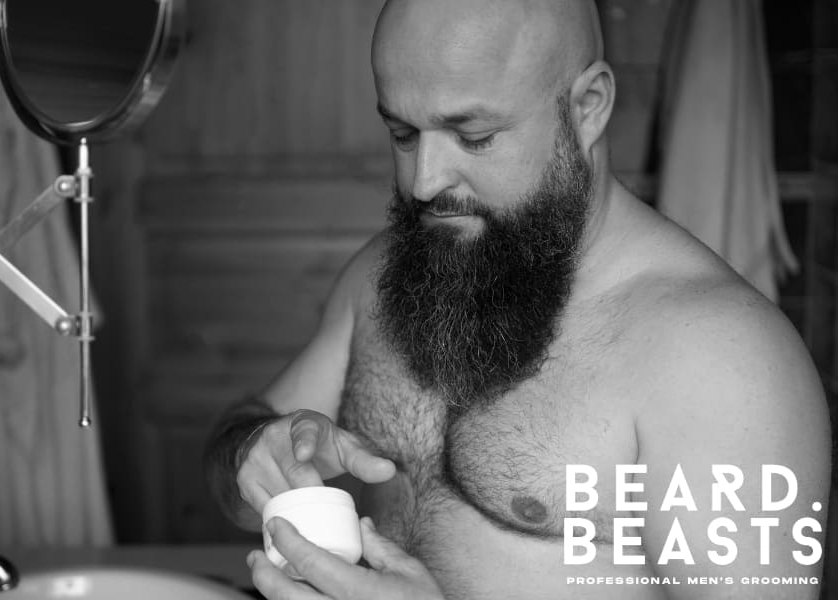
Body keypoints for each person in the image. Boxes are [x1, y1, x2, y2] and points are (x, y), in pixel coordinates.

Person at [203, 0, 832, 598]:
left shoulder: (729, 362)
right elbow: (236, 463)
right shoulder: (384, 275)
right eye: (402, 133)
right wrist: (252, 452)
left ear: (588, 107)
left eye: (472, 136)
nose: (424, 183)